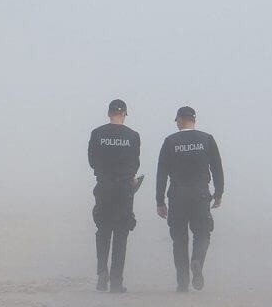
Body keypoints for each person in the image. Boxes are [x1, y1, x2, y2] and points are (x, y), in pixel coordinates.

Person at [156, 106, 224, 292]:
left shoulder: (170, 142)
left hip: (177, 196)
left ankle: (182, 282)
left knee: (179, 239)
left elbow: (161, 173)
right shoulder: (207, 139)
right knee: (202, 233)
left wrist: (159, 201)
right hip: (200, 195)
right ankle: (197, 260)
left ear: (179, 119)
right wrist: (218, 193)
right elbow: (217, 168)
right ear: (194, 120)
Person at [88, 99, 142, 293]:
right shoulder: (133, 136)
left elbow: (92, 161)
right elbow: (135, 163)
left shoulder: (97, 134)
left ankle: (102, 273)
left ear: (108, 113)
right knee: (121, 234)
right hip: (124, 190)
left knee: (103, 232)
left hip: (103, 188)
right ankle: (117, 281)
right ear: (125, 114)